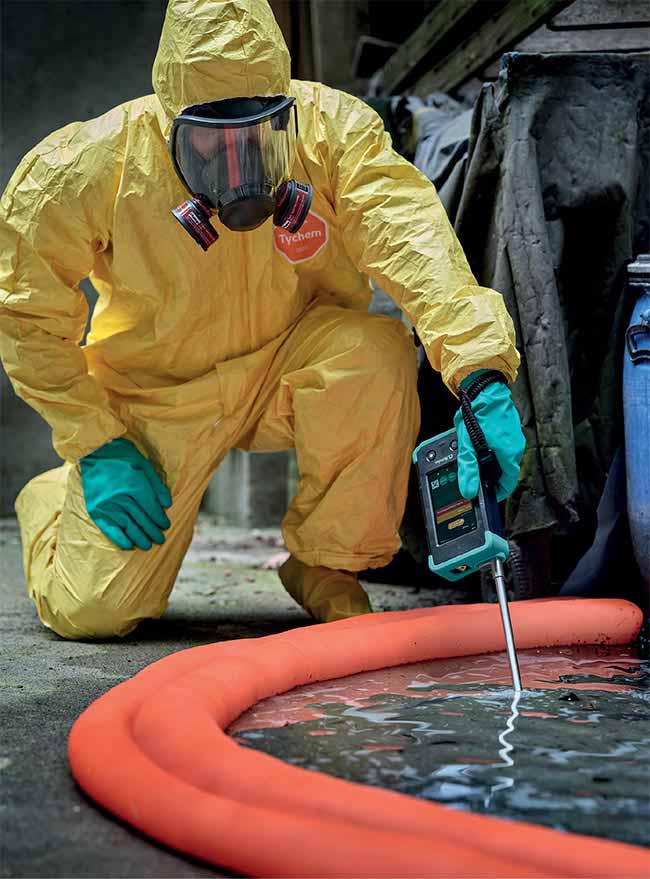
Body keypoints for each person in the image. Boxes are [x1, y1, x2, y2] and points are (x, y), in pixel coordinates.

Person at [0, 0, 525, 639]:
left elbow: (410, 238)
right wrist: (93, 438)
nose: (237, 169)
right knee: (94, 613)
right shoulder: (86, 168)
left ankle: (326, 565)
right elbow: (25, 313)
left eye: (256, 138)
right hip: (157, 392)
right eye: (210, 143)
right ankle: (51, 499)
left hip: (291, 358)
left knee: (372, 352)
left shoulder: (332, 132)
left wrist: (478, 372)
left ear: (284, 109)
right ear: (169, 121)